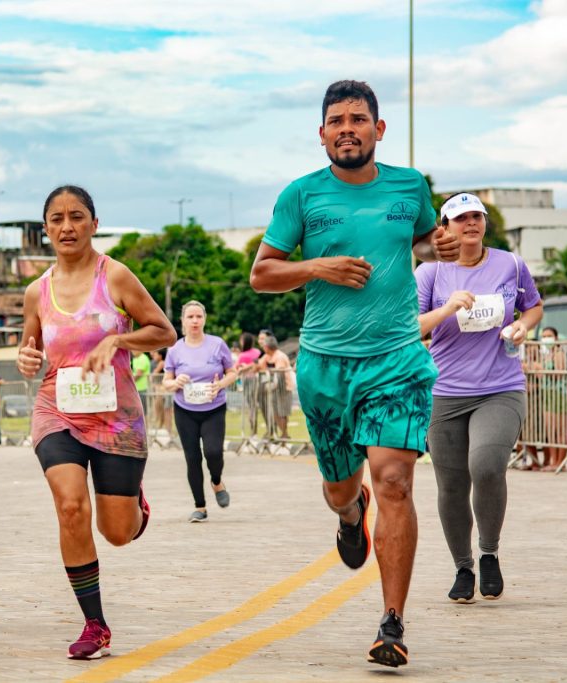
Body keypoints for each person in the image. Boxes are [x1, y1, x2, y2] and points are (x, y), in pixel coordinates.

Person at [250, 80, 460, 668]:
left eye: (359, 118)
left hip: (396, 357)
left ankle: (391, 622)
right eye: (337, 120)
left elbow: (420, 239)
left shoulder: (409, 185)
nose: (348, 128)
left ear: (378, 129)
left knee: (394, 481)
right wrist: (317, 266)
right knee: (344, 488)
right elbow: (261, 275)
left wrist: (435, 246)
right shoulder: (301, 196)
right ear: (321, 135)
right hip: (324, 366)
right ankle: (349, 513)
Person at [16, 185, 175, 659]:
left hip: (115, 419)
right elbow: (33, 349)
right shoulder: (34, 292)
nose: (67, 226)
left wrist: (120, 342)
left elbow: (163, 330)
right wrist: (28, 359)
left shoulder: (117, 277)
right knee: (70, 507)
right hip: (57, 410)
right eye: (57, 219)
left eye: (77, 217)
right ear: (45, 229)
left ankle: (135, 507)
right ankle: (95, 625)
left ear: (93, 223)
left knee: (117, 533)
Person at [416, 192, 543, 604]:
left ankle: (489, 552)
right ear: (444, 226)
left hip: (500, 388)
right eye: (460, 217)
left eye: (477, 216)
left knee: (486, 465)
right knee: (451, 485)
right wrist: (447, 309)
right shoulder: (430, 272)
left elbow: (534, 307)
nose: (470, 223)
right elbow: (409, 328)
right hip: (444, 393)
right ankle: (463, 567)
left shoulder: (510, 263)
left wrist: (524, 326)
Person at [162, 301, 238, 522]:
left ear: (204, 319)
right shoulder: (175, 349)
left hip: (213, 407)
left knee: (213, 452)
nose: (195, 321)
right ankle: (200, 507)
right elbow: (166, 382)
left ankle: (216, 481)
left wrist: (221, 384)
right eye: (190, 317)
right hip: (185, 410)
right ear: (183, 321)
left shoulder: (217, 345)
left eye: (198, 316)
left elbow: (232, 372)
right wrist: (176, 381)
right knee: (192, 458)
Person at [532, 326, 567, 471]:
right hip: (547, 393)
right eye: (544, 336)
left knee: (560, 430)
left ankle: (561, 463)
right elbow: (540, 375)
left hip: (559, 394)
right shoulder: (546, 355)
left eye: (549, 335)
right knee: (550, 431)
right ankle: (554, 462)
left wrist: (541, 369)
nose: (546, 338)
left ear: (556, 337)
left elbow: (559, 372)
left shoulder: (559, 353)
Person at [256, 335, 294, 440]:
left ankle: (285, 434)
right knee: (276, 412)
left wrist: (271, 385)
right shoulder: (268, 356)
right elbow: (259, 366)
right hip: (274, 388)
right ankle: (281, 434)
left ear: (267, 347)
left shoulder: (279, 356)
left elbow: (279, 373)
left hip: (284, 388)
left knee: (282, 412)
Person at [131, 349, 151, 414]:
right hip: (135, 389)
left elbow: (138, 374)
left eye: (134, 349)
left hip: (143, 388)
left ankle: (146, 423)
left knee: (143, 411)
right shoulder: (134, 359)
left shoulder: (144, 358)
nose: (132, 351)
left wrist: (127, 382)